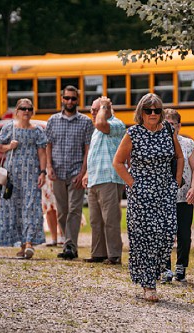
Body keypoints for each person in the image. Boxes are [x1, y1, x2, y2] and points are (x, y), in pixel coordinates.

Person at [113, 93, 184, 302]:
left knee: (166, 233)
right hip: (142, 193)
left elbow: (179, 157)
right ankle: (148, 284)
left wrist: (176, 181)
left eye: (157, 110)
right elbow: (118, 162)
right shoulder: (133, 133)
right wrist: (133, 184)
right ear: (141, 113)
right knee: (144, 238)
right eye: (148, 110)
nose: (153, 114)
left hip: (164, 190)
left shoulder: (168, 130)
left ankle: (155, 272)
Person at [0, 98, 47, 259]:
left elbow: (42, 152)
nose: (26, 111)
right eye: (23, 108)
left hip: (31, 174)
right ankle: (22, 244)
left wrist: (43, 172)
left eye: (29, 109)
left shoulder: (37, 130)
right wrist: (8, 146)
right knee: (14, 208)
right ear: (17, 111)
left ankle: (30, 242)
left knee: (31, 207)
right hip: (13, 176)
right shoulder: (9, 128)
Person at [46, 85, 94, 260]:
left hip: (76, 172)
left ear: (77, 100)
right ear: (62, 99)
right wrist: (49, 167)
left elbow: (88, 150)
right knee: (62, 211)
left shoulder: (86, 122)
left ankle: (70, 247)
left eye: (73, 98)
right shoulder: (52, 121)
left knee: (74, 210)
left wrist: (83, 172)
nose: (70, 101)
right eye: (67, 98)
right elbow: (48, 145)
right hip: (57, 172)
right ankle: (66, 242)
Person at [82, 97, 126, 264]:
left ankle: (114, 255)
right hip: (95, 178)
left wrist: (104, 106)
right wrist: (87, 173)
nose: (93, 112)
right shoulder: (96, 129)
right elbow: (94, 154)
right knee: (95, 220)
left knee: (110, 219)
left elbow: (101, 123)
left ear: (106, 109)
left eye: (96, 109)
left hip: (109, 178)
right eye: (92, 110)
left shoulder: (116, 124)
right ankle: (98, 253)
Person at [161, 109, 194, 283]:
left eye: (172, 124)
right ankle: (164, 268)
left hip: (184, 197)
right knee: (164, 234)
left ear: (179, 125)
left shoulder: (187, 143)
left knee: (184, 234)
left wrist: (193, 188)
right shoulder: (158, 143)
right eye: (166, 124)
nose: (169, 127)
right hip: (163, 198)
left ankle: (181, 267)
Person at [42, 176, 65, 247]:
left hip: (59, 173)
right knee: (49, 207)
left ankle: (63, 236)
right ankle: (54, 238)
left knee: (60, 206)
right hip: (47, 176)